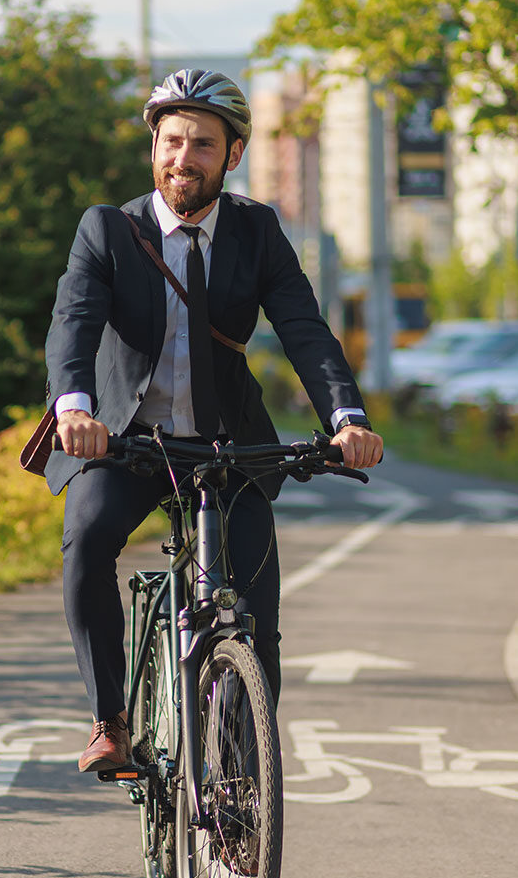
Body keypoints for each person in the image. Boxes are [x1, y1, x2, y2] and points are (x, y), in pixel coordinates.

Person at [43, 69, 384, 773]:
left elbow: (303, 327)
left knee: (255, 620)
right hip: (127, 440)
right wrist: (73, 406)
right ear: (152, 148)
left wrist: (346, 419)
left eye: (201, 144)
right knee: (86, 537)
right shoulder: (108, 229)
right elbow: (72, 321)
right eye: (170, 141)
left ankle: (234, 785)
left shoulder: (256, 230)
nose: (181, 158)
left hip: (229, 446)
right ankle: (110, 718)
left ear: (231, 155)